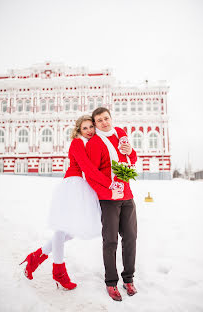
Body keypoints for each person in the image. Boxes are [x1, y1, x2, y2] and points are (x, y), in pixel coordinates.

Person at [20, 115, 123, 290]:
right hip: (74, 184)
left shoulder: (94, 142)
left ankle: (36, 257)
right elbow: (87, 167)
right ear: (78, 130)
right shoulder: (77, 143)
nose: (89, 130)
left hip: (85, 186)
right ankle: (58, 270)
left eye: (91, 126)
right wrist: (109, 183)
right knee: (62, 228)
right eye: (85, 128)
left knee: (72, 230)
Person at [85, 107, 138, 301]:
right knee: (111, 241)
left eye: (106, 118)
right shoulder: (95, 143)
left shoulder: (120, 135)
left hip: (127, 195)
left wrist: (131, 151)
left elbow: (132, 160)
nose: (104, 122)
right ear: (95, 124)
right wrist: (108, 191)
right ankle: (111, 282)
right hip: (108, 199)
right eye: (99, 120)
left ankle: (128, 279)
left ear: (111, 118)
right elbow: (91, 176)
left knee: (131, 238)